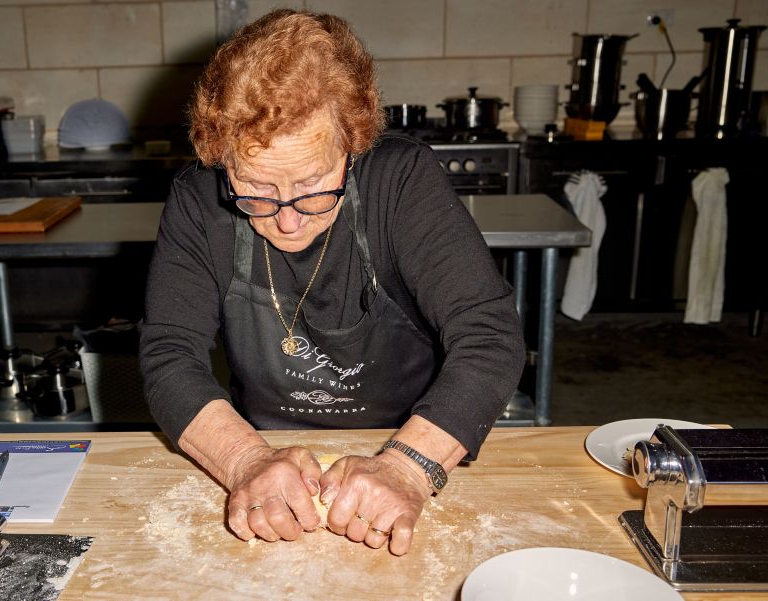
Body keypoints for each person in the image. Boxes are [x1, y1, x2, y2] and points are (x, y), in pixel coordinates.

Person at [140, 9, 524, 556]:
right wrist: (246, 459)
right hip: (260, 445)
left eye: (314, 185)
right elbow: (169, 355)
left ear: (355, 140)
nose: (287, 219)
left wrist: (409, 467)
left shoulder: (402, 182)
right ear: (219, 155)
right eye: (254, 189)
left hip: (414, 434)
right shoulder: (198, 200)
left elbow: (489, 337)